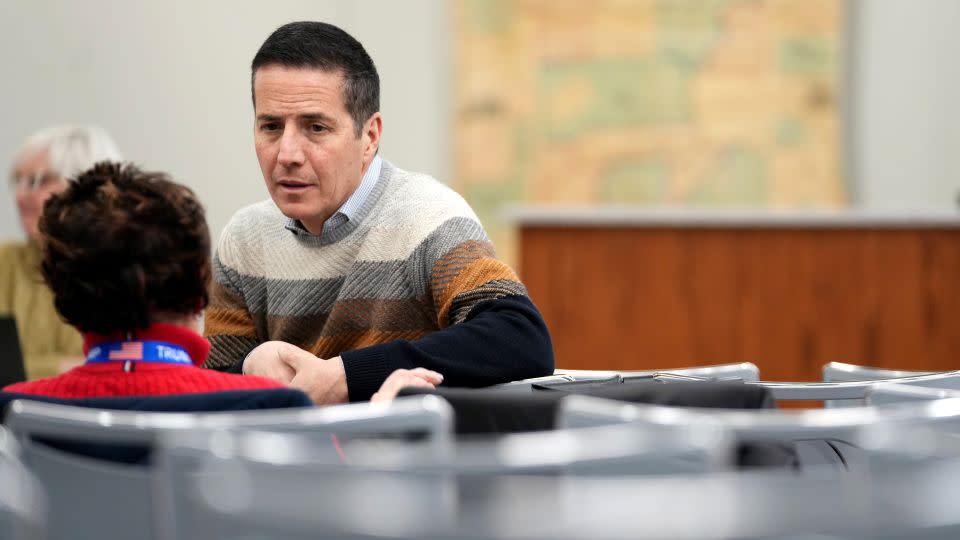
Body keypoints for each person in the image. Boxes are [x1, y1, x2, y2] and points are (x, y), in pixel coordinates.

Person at [204, 21, 554, 404]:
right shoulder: (243, 239)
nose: (287, 154)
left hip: (399, 455)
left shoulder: (427, 218)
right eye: (271, 126)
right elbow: (207, 387)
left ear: (369, 136)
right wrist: (249, 366)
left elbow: (521, 337)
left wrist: (347, 375)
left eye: (315, 128)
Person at [3, 161, 443, 400]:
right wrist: (386, 418)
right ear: (202, 288)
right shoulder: (266, 405)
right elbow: (333, 507)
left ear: (62, 296)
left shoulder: (16, 410)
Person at [1, 125, 123, 379]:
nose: (21, 195)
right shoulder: (4, 263)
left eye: (37, 181)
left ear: (87, 190)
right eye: (18, 181)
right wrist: (61, 368)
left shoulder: (131, 271)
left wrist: (25, 369)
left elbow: (127, 370)